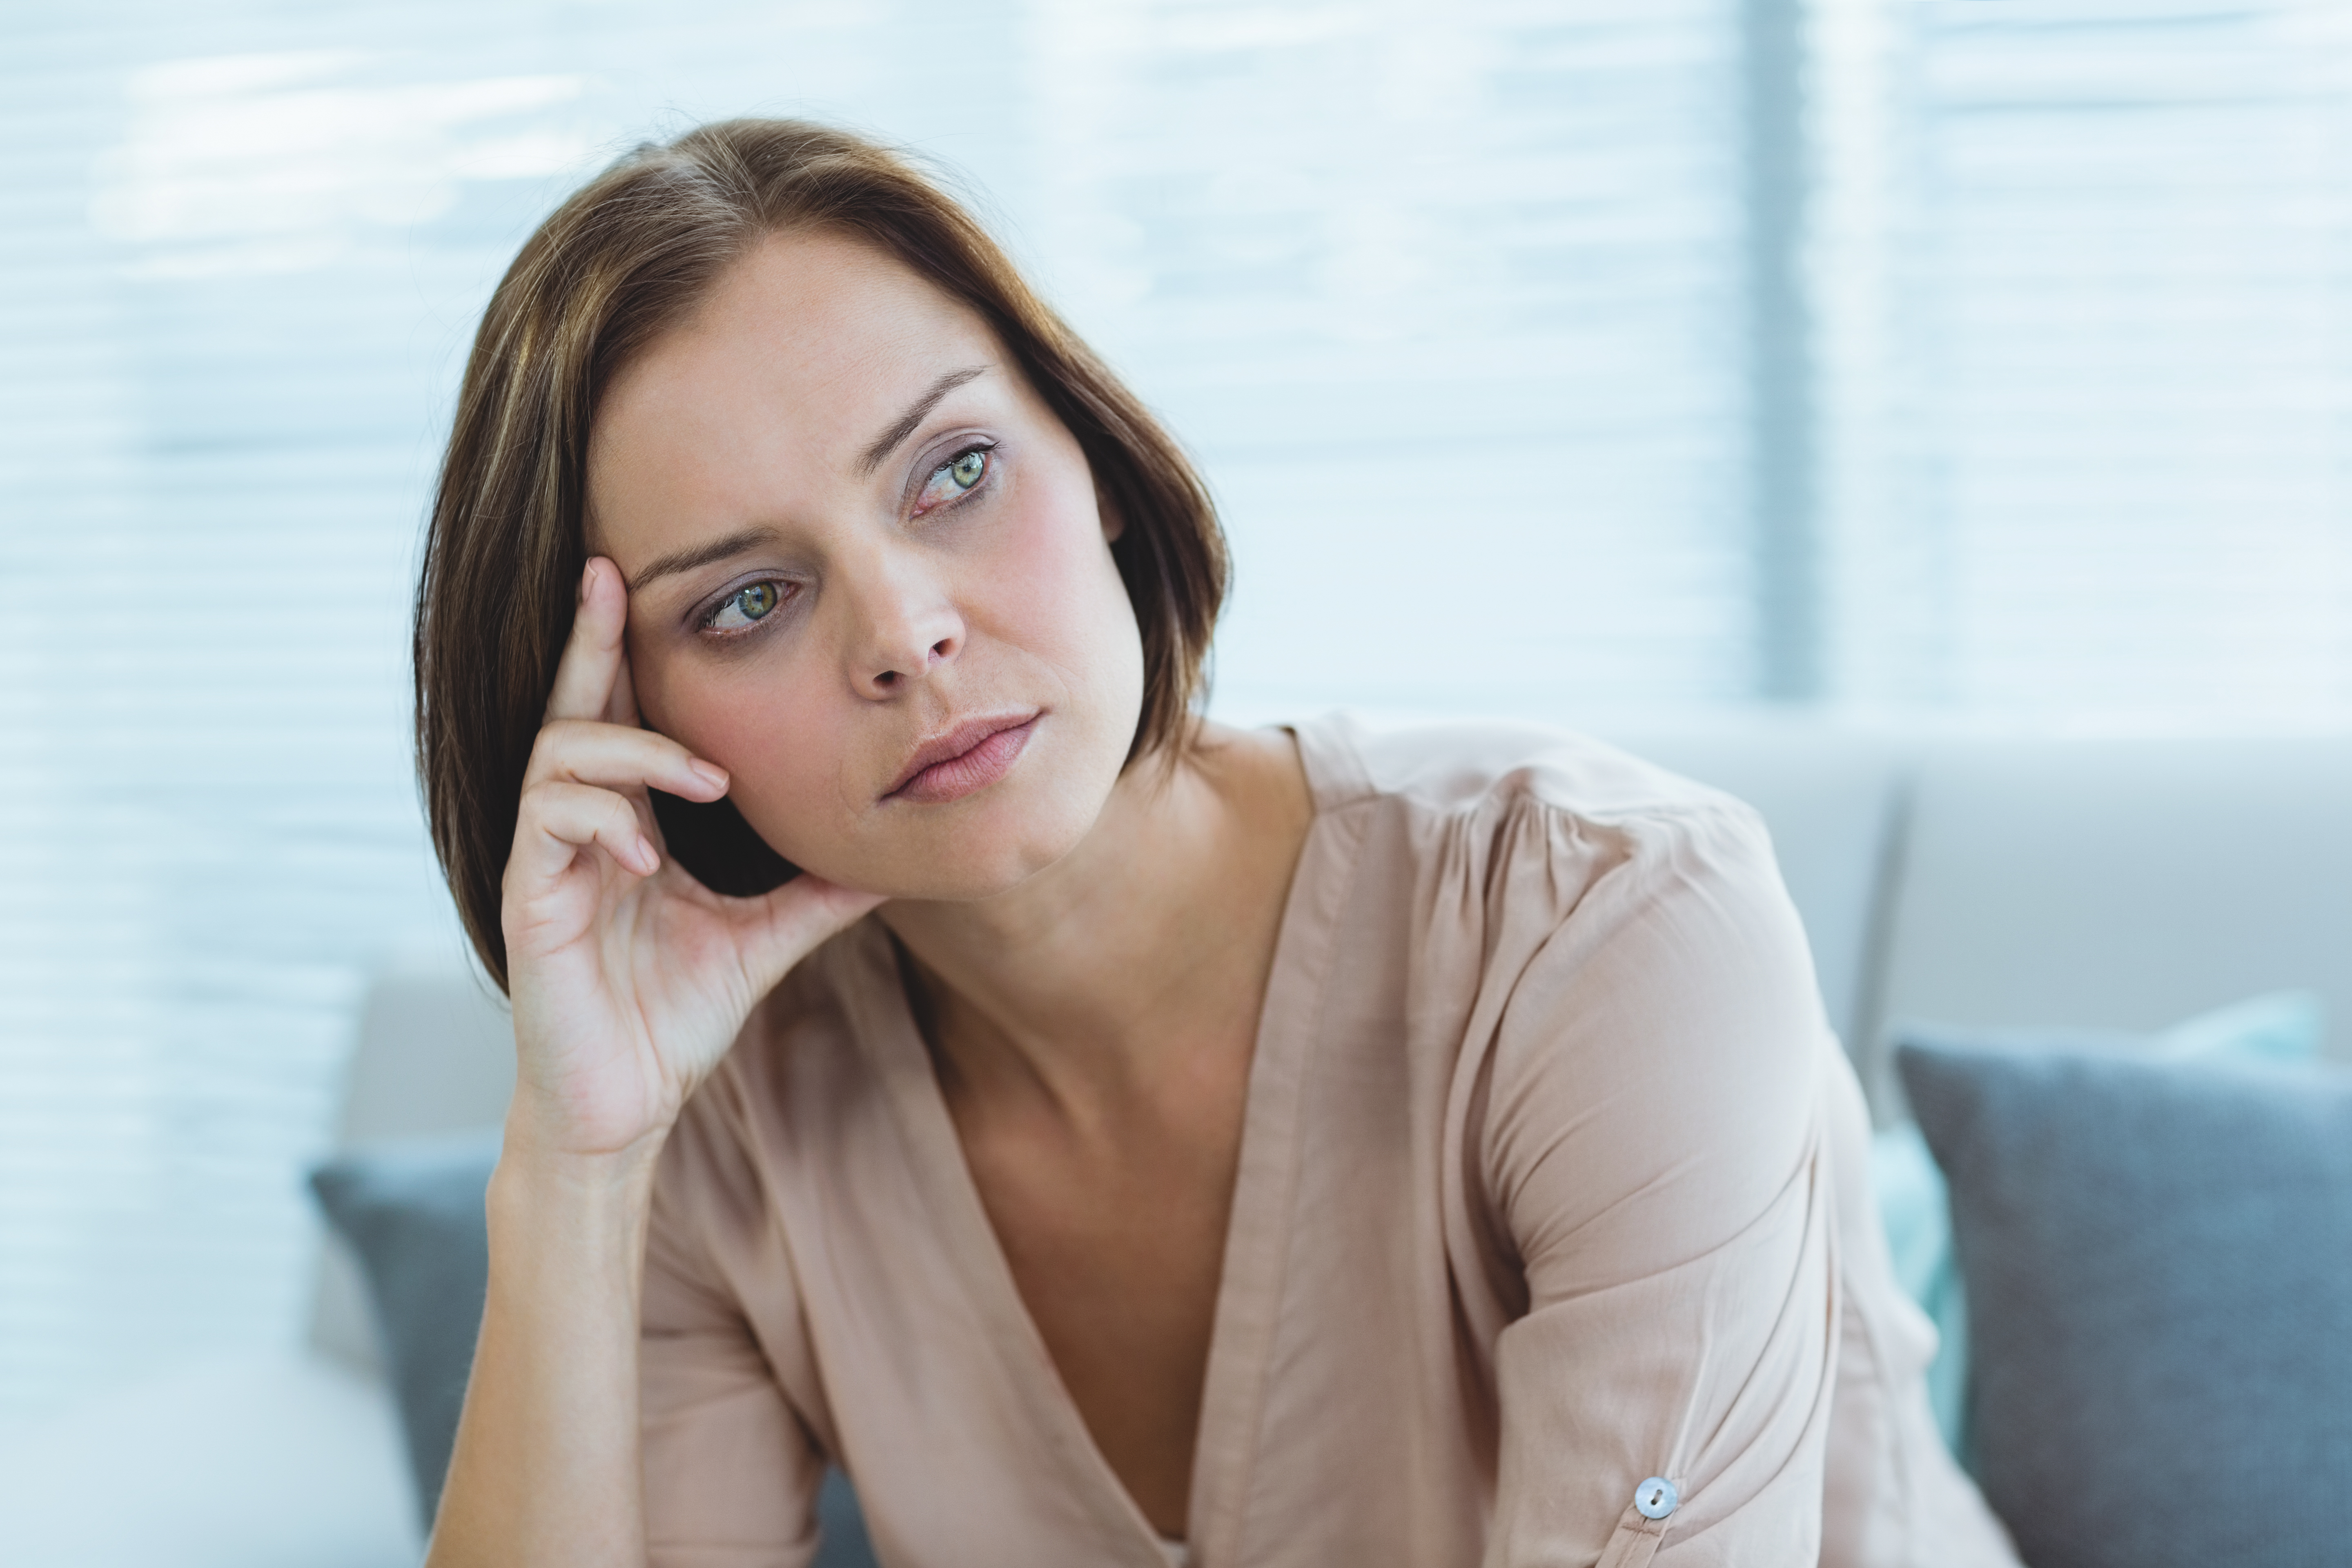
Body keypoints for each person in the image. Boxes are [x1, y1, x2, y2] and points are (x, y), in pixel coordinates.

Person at [411, 119, 2018, 1568]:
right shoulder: (729, 1118)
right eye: (749, 600)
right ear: (640, 714)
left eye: (954, 473)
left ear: (1097, 458)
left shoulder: (1605, 924)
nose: (907, 635)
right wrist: (579, 1168)